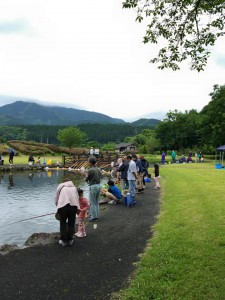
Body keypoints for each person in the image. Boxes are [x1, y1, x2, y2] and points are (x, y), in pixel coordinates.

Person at [55, 177, 80, 246]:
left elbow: (56, 199)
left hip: (63, 207)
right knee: (71, 223)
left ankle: (64, 241)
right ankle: (70, 240)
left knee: (63, 223)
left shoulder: (60, 187)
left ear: (63, 182)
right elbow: (77, 198)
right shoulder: (74, 188)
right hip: (73, 207)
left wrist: (57, 206)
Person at [85, 156, 102, 222]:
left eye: (88, 161)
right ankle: (96, 215)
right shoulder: (98, 169)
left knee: (92, 202)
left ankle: (94, 217)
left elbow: (86, 179)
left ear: (90, 162)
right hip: (98, 185)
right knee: (96, 201)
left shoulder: (90, 170)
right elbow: (101, 176)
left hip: (93, 186)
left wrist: (85, 178)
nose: (88, 162)